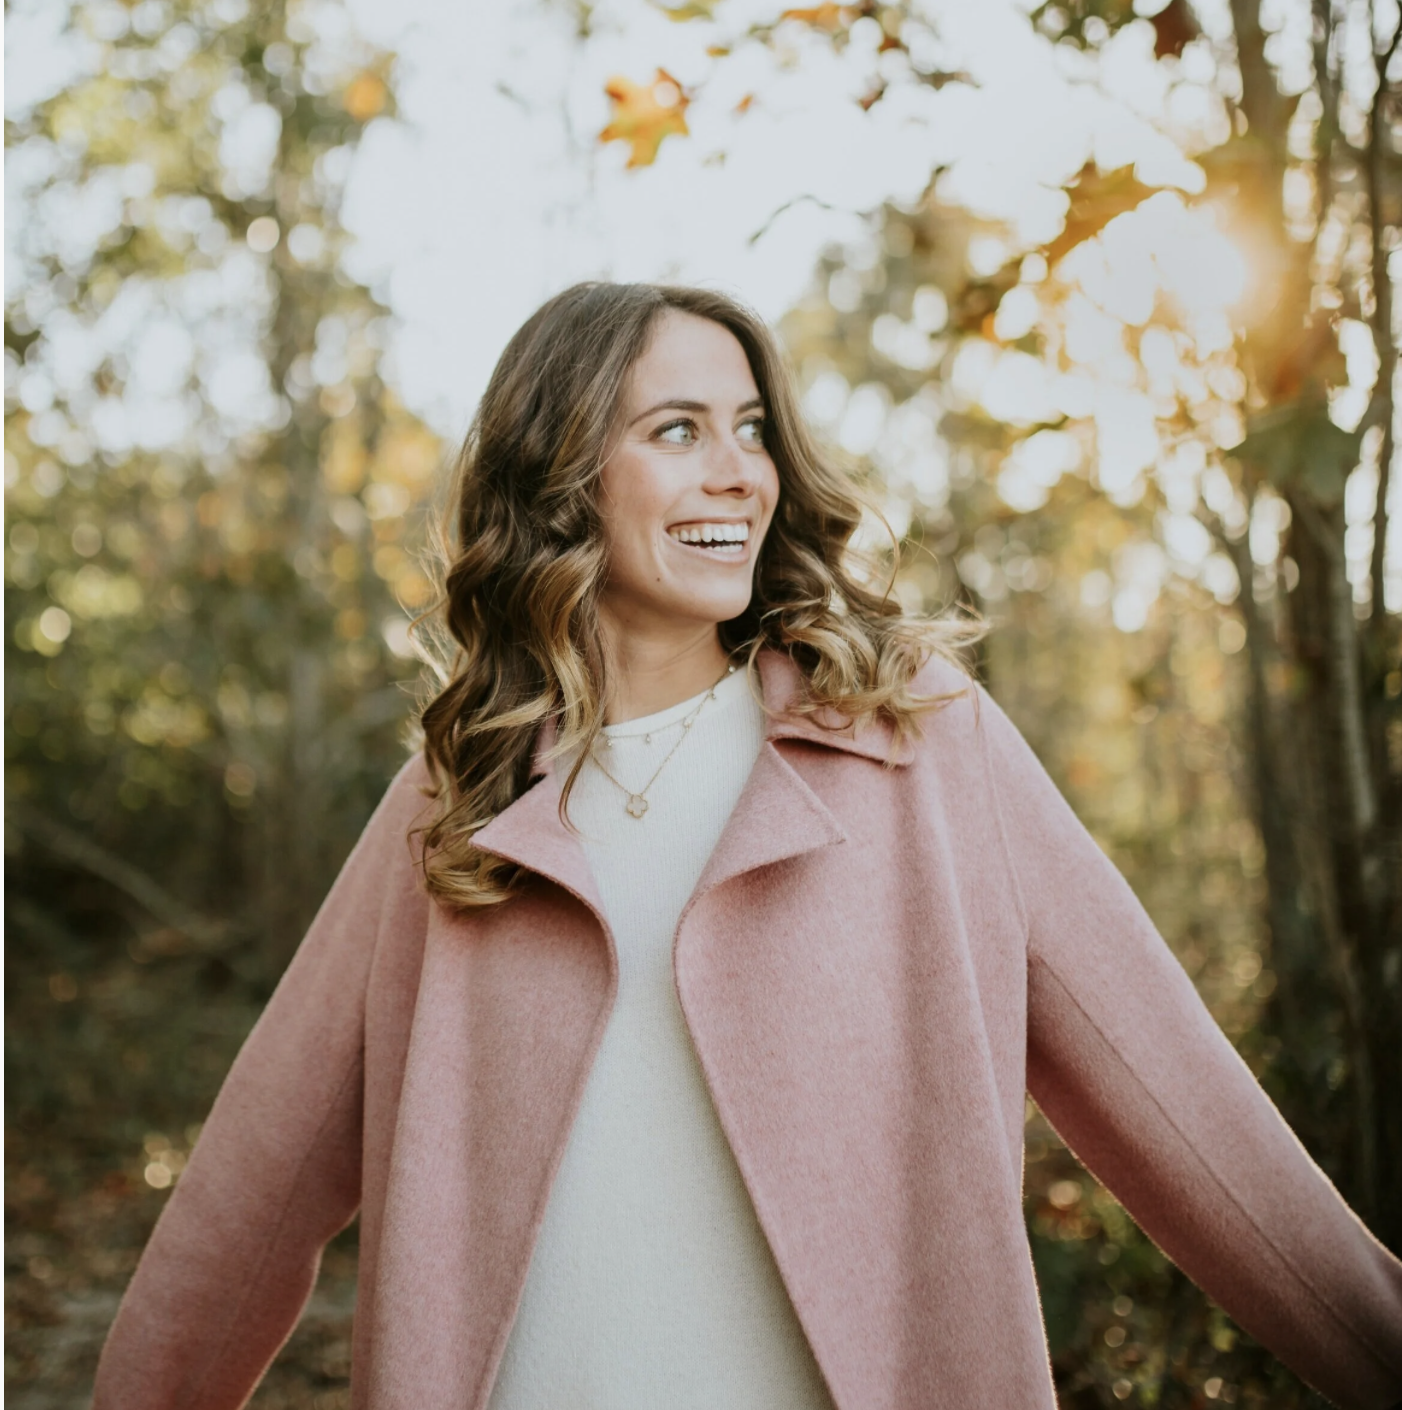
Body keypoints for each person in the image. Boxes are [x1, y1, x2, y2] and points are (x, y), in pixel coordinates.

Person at [93, 282, 1402, 1410]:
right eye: (676, 431)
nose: (738, 471)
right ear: (559, 478)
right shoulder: (454, 804)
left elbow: (1189, 1113)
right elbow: (246, 1203)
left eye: (751, 429)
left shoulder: (919, 745)